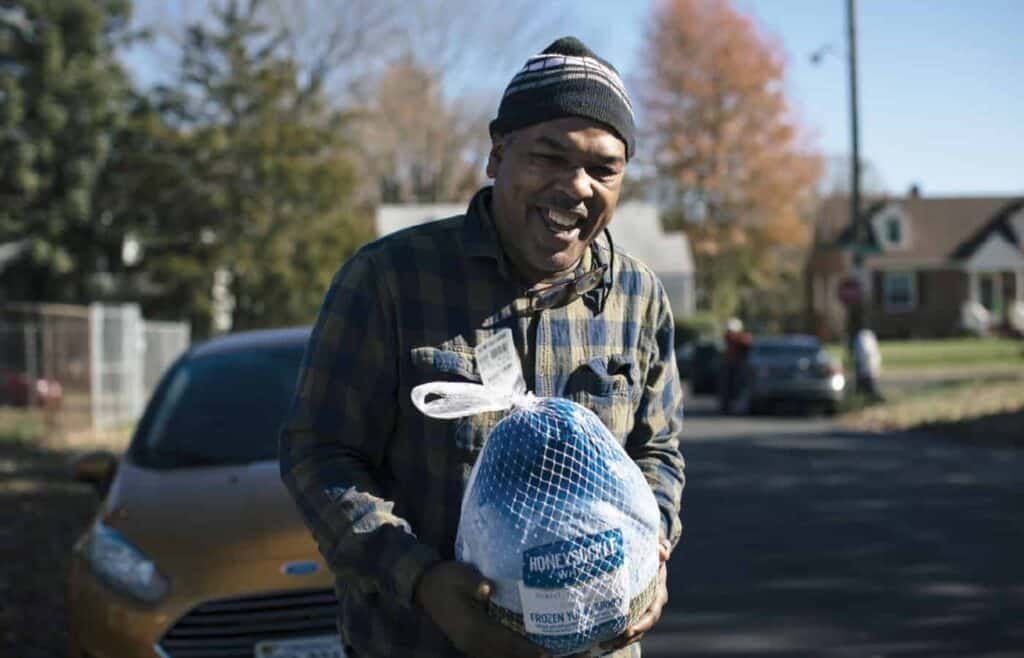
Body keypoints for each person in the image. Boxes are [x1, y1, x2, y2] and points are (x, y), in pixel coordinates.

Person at [279, 36, 685, 658]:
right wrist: (421, 581)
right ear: (497, 155)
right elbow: (319, 456)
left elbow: (656, 450)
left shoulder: (638, 297)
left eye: (603, 168)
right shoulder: (391, 281)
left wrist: (653, 551)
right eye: (549, 157)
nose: (576, 187)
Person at [719, 317, 752, 414]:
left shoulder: (743, 338)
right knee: (727, 387)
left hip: (739, 366)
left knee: (739, 386)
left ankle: (736, 405)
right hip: (729, 365)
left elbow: (747, 346)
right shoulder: (729, 338)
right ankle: (727, 406)